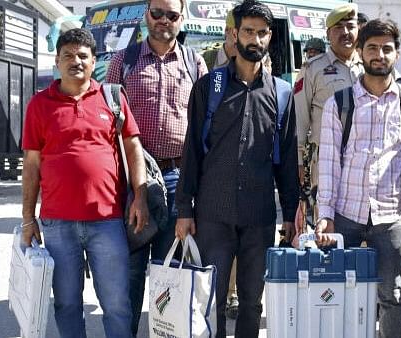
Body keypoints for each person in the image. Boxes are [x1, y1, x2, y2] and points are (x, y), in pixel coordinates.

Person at [174, 1, 300, 337]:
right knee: (210, 300)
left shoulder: (282, 93)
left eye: (262, 33)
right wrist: (184, 210)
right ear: (234, 34)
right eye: (248, 31)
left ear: (269, 37)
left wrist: (291, 214)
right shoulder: (209, 87)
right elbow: (192, 154)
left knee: (252, 303)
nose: (255, 39)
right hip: (213, 214)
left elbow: (287, 160)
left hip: (259, 218)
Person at [21, 28, 147, 338]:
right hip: (57, 223)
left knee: (117, 303)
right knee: (66, 304)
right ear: (57, 61)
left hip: (108, 221)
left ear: (93, 62)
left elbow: (133, 148)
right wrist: (28, 219)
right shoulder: (39, 104)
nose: (75, 61)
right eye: (68, 55)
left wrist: (140, 197)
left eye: (82, 56)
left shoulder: (111, 98)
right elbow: (32, 164)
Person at [315, 19, 401, 338]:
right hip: (345, 216)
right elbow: (328, 164)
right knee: (337, 293)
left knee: (394, 298)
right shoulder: (339, 103)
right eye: (372, 48)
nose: (380, 54)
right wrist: (324, 217)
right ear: (360, 53)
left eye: (387, 48)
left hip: (391, 217)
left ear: (397, 54)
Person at [104, 0, 208, 335]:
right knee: (131, 272)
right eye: (157, 13)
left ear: (182, 19)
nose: (164, 20)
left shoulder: (196, 64)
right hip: (135, 182)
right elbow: (106, 121)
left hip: (180, 180)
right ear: (146, 15)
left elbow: (206, 127)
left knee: (170, 275)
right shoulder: (124, 61)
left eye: (172, 15)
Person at [294, 3, 363, 217]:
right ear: (328, 34)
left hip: (360, 163)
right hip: (323, 163)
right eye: (338, 27)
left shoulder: (368, 67)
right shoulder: (312, 68)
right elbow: (300, 119)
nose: (345, 32)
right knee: (324, 224)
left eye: (350, 26)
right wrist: (299, 163)